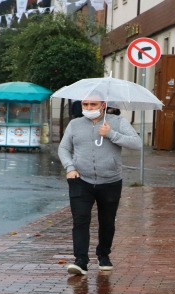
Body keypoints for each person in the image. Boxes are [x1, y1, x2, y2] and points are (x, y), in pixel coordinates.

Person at [58, 93, 141, 275]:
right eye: (85, 104)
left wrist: (111, 134)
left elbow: (137, 143)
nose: (88, 108)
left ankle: (103, 254)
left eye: (92, 104)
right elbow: (64, 147)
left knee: (107, 221)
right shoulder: (75, 124)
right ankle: (80, 260)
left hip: (110, 181)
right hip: (80, 179)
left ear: (103, 105)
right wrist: (70, 167)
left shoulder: (117, 121)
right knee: (80, 220)